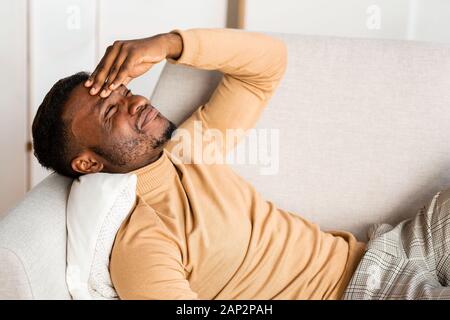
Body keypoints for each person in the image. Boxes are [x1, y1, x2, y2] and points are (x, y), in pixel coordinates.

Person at [32, 28, 450, 300]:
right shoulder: (141, 242)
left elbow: (267, 65)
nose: (137, 102)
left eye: (125, 93)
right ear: (87, 163)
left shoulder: (191, 148)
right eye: (112, 114)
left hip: (388, 249)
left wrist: (166, 45)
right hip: (362, 292)